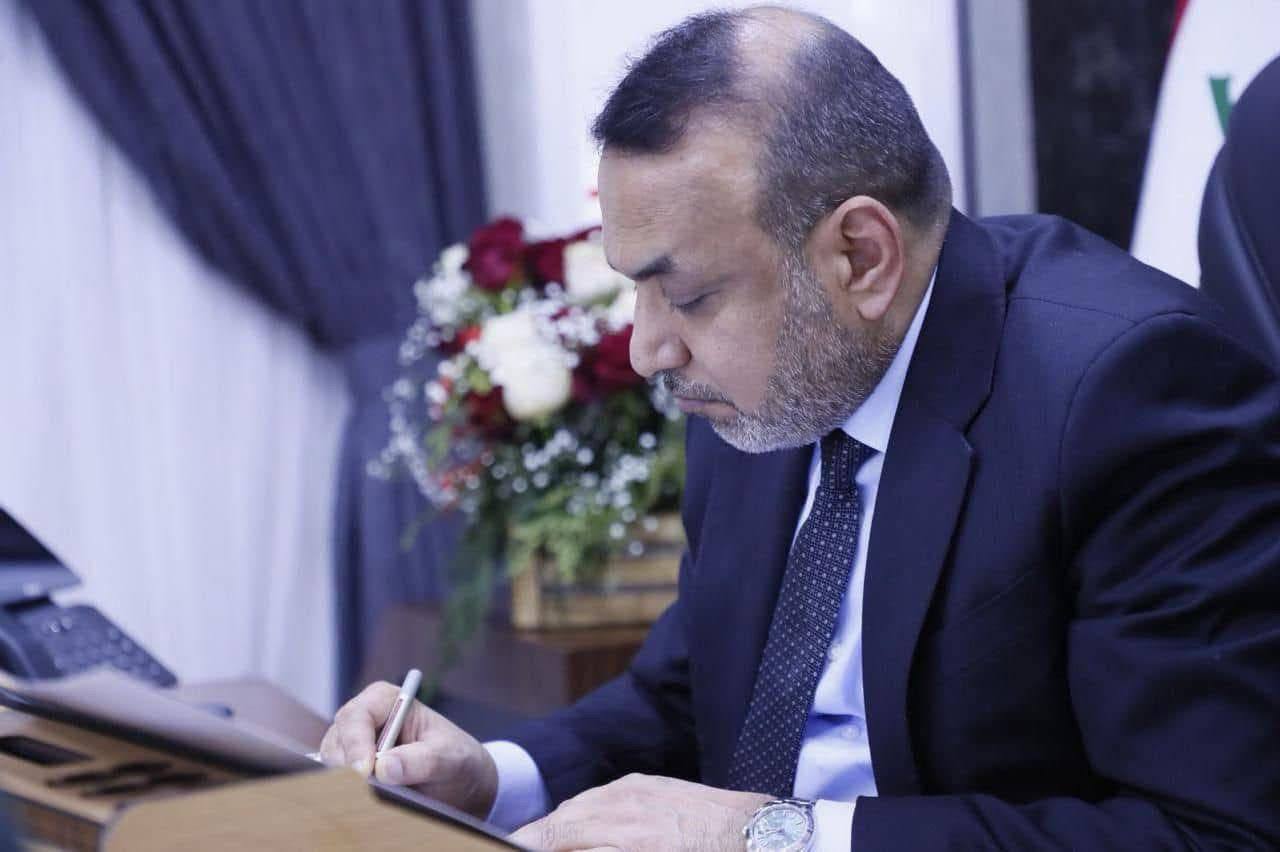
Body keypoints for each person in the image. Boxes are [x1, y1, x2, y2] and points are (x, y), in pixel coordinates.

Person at [321, 7, 1280, 850]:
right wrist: (494, 778)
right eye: (635, 290)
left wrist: (771, 837)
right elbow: (692, 693)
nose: (649, 350)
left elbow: (1206, 832)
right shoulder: (765, 383)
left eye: (687, 294)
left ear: (860, 255)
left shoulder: (1129, 392)